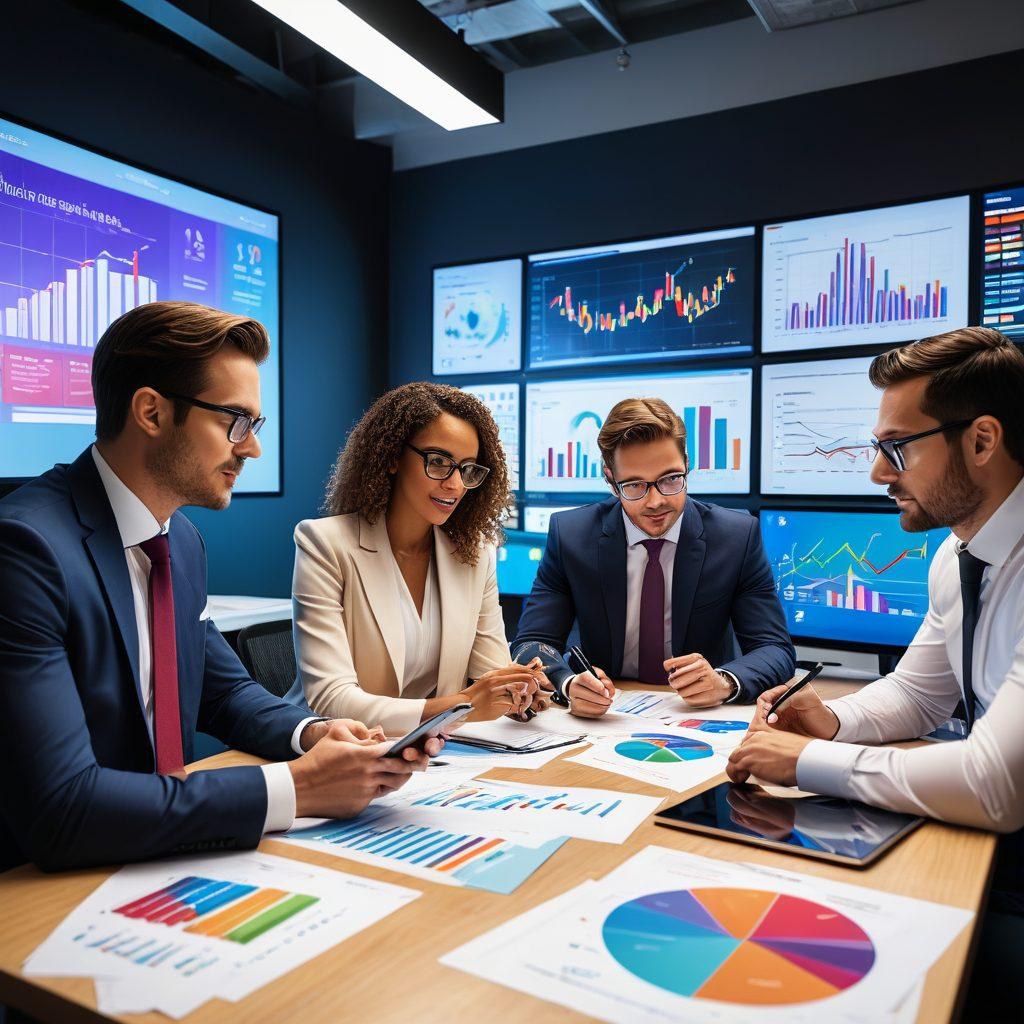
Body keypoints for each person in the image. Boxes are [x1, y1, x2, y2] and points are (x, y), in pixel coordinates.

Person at [0, 301, 434, 874]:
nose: (251, 447)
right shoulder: (25, 550)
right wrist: (294, 788)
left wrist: (315, 734)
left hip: (156, 853)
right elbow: (63, 808)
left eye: (254, 425)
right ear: (152, 412)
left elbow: (222, 693)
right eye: (236, 421)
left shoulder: (179, 540)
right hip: (41, 883)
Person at [726, 326, 1024, 836]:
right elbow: (918, 694)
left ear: (981, 441)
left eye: (898, 447)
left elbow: (996, 785)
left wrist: (807, 761)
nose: (879, 473)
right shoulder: (956, 557)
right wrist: (832, 721)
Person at [512, 397, 795, 718]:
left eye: (671, 479)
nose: (656, 501)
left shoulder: (736, 536)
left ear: (687, 464)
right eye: (634, 485)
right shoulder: (571, 535)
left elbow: (775, 650)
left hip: (698, 716)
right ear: (611, 481)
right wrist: (567, 683)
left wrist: (725, 681)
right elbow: (532, 643)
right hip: (604, 716)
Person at [289, 382, 544, 736]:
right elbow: (331, 699)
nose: (455, 485)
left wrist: (518, 691)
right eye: (439, 462)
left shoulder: (473, 556)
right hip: (333, 750)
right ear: (392, 456)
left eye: (468, 469)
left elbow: (491, 672)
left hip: (429, 756)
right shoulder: (325, 544)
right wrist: (462, 707)